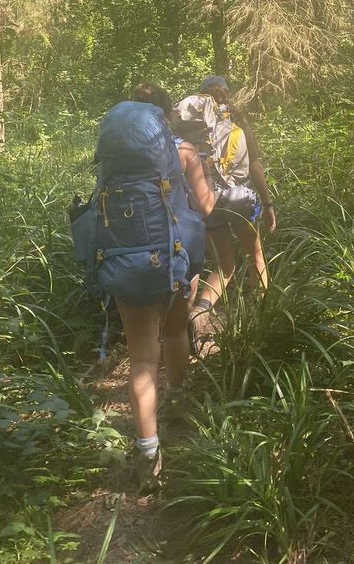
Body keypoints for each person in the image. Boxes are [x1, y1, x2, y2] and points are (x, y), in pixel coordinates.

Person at [101, 83, 215, 492]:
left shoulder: (113, 160)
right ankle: (179, 401)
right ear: (164, 116)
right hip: (175, 260)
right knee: (173, 331)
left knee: (141, 359)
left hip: (125, 260)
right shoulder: (184, 151)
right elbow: (205, 207)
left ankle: (149, 453)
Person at [181, 76, 276, 344]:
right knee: (255, 256)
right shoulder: (239, 125)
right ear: (227, 95)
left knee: (225, 265)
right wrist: (268, 204)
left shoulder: (196, 132)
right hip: (241, 200)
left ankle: (199, 313)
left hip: (208, 200)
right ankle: (261, 320)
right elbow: (255, 167)